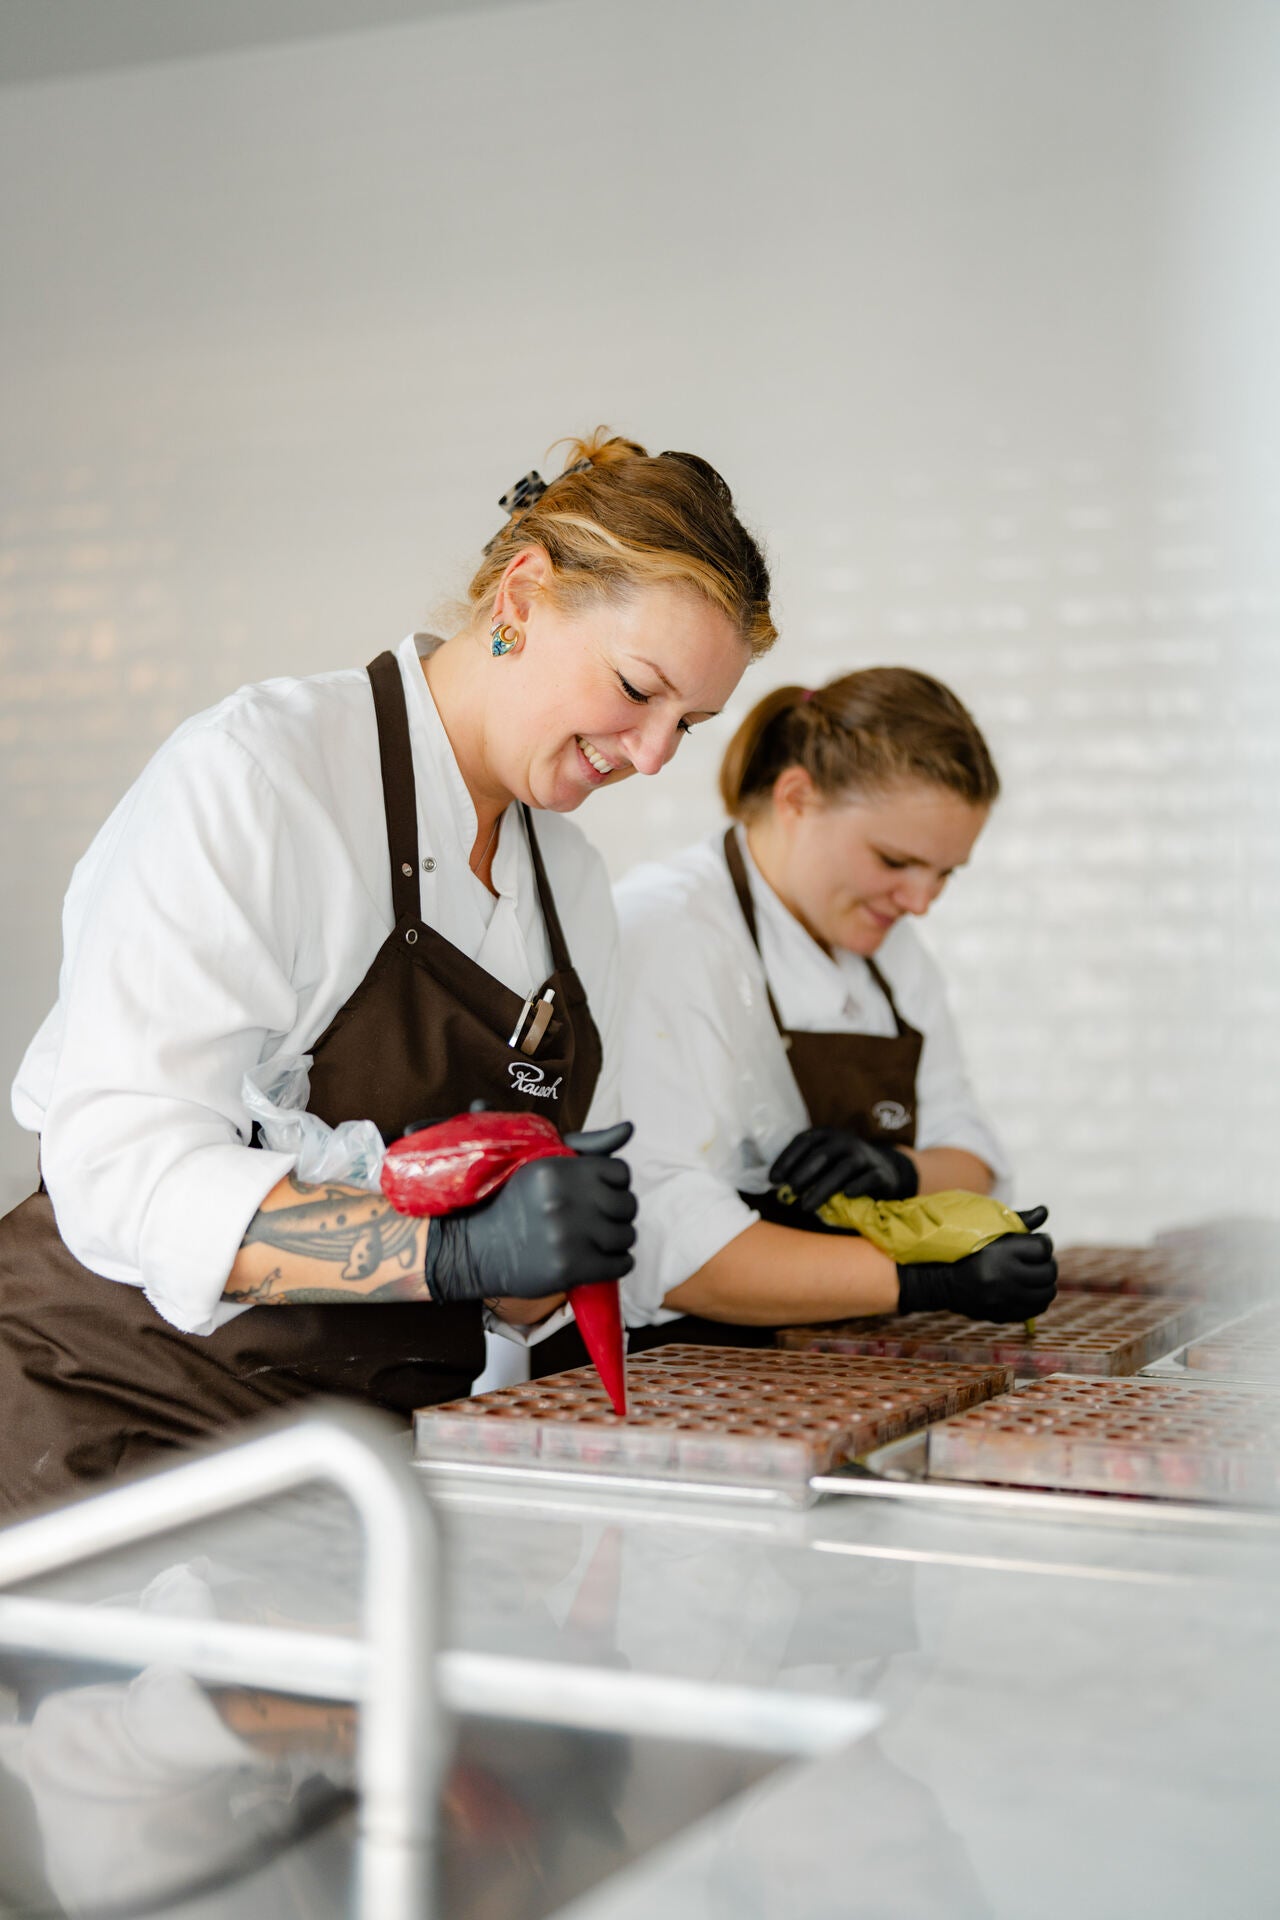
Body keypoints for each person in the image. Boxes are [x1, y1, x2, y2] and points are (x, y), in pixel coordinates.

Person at [0, 431, 775, 1510]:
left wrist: (540, 1260)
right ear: (522, 596)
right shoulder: (263, 777)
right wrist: (447, 1251)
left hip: (349, 1474)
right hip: (115, 1441)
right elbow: (122, 1175)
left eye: (686, 725)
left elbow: (503, 1292)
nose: (652, 757)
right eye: (637, 690)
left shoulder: (572, 887)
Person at [610, 668, 1057, 1347]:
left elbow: (971, 1155)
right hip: (678, 1376)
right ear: (797, 798)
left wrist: (900, 1171)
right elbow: (669, 1248)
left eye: (943, 874)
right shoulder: (666, 934)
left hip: (840, 1363)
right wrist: (924, 1281)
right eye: (895, 860)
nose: (921, 902)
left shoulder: (888, 951)